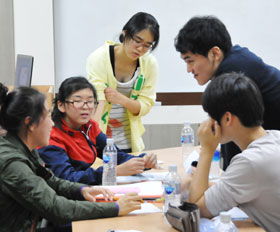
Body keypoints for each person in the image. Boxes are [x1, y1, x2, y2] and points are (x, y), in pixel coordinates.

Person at [0, 85, 142, 231]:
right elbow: (56, 208)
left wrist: (81, 190)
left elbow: (50, 180)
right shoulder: (11, 163)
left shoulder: (22, 144)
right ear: (29, 123)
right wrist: (116, 208)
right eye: (48, 116)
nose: (52, 123)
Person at [174, 15, 280, 170]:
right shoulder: (234, 59)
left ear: (215, 54)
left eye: (191, 61)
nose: (189, 69)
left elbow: (232, 131)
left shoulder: (232, 73)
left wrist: (227, 177)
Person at [187, 72, 280, 231]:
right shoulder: (276, 137)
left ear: (228, 119)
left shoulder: (250, 162)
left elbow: (195, 210)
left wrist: (207, 150)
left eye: (211, 115)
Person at [38, 77, 157, 186]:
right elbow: (67, 178)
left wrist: (142, 161)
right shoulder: (51, 136)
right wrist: (112, 172)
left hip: (85, 190)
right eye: (78, 101)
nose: (86, 107)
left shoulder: (89, 126)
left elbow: (116, 156)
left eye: (90, 101)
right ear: (61, 105)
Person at [86, 12, 160, 153]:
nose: (140, 49)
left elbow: (145, 105)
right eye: (137, 41)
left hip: (129, 141)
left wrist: (121, 99)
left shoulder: (149, 64)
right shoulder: (99, 58)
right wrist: (92, 143)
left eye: (147, 45)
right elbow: (98, 101)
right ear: (125, 33)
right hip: (100, 140)